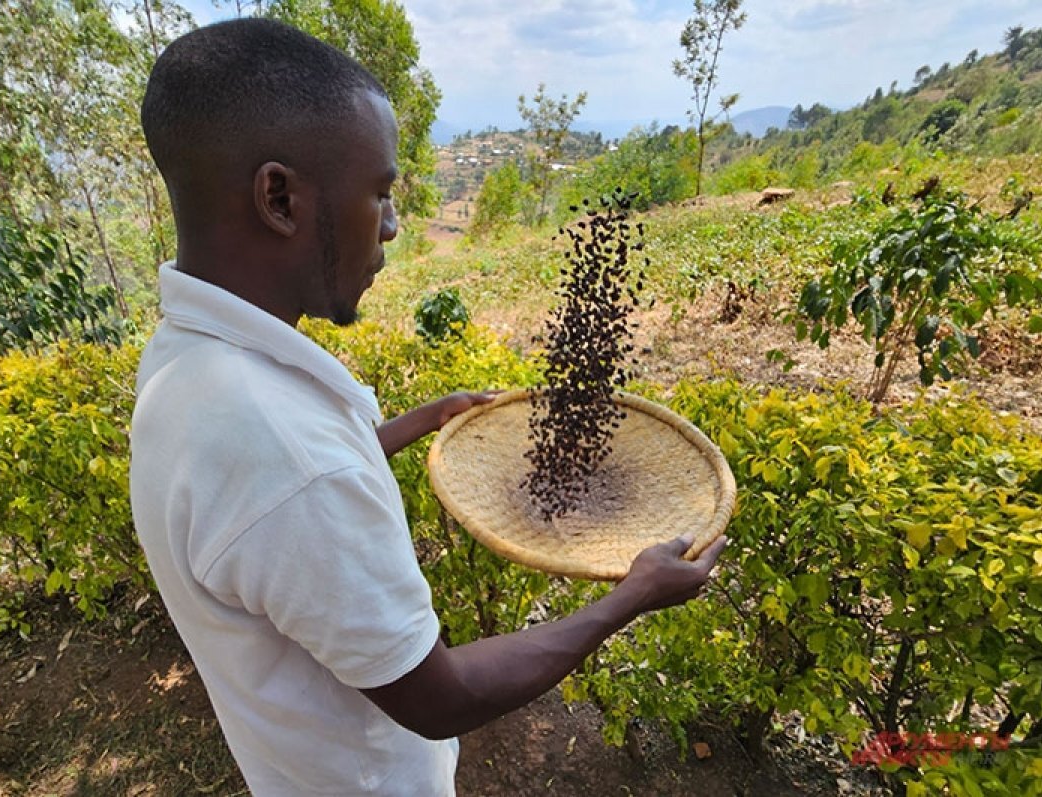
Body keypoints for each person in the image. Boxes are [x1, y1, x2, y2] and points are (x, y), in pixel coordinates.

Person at [130, 17, 727, 797]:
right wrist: (631, 595)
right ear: (280, 197)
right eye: (378, 191)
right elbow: (441, 695)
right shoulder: (284, 456)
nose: (393, 224)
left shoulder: (188, 360)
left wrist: (415, 422)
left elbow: (271, 515)